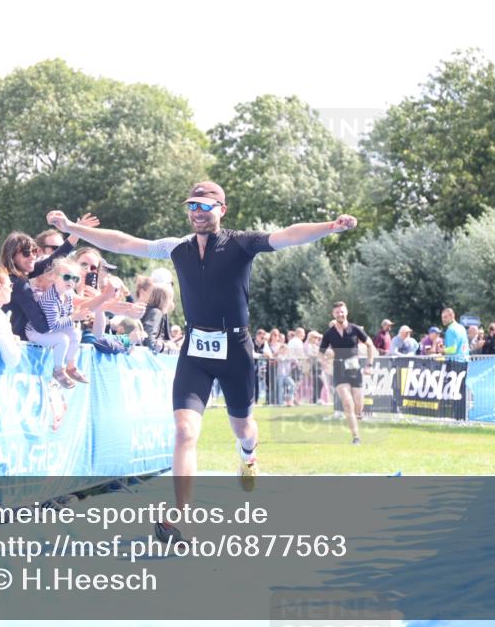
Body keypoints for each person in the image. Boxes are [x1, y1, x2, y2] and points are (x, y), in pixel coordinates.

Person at [46, 180, 358, 543]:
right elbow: (123, 242)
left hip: (236, 349)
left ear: (221, 210)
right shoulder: (176, 249)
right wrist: (72, 229)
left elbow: (287, 235)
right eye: (191, 205)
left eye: (204, 206)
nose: (196, 211)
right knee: (184, 431)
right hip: (195, 349)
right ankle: (180, 519)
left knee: (243, 428)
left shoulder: (242, 243)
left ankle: (248, 454)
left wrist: (329, 228)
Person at [26, 258, 90, 389]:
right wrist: (73, 317)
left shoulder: (68, 295)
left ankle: (71, 366)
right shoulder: (50, 298)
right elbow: (53, 325)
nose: (71, 281)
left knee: (75, 334)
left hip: (49, 329)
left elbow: (67, 317)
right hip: (35, 332)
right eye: (67, 277)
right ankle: (58, 370)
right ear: (54, 277)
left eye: (75, 279)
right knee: (63, 339)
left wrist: (75, 317)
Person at [318, 302, 375, 445]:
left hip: (355, 368)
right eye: (337, 312)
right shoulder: (329, 334)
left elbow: (370, 344)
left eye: (342, 312)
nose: (340, 314)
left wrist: (369, 364)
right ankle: (356, 436)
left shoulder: (355, 329)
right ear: (333, 314)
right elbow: (320, 353)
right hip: (339, 369)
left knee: (358, 403)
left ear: (346, 312)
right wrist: (325, 363)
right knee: (347, 401)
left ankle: (357, 415)